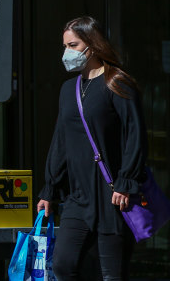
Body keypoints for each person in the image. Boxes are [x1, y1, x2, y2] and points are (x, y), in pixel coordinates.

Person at [37, 16, 148, 280]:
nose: (67, 53)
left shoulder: (117, 83)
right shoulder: (68, 89)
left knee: (112, 274)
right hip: (78, 196)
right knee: (63, 264)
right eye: (65, 46)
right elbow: (60, 141)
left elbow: (135, 134)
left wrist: (126, 181)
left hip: (112, 195)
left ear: (93, 46)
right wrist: (50, 189)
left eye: (73, 45)